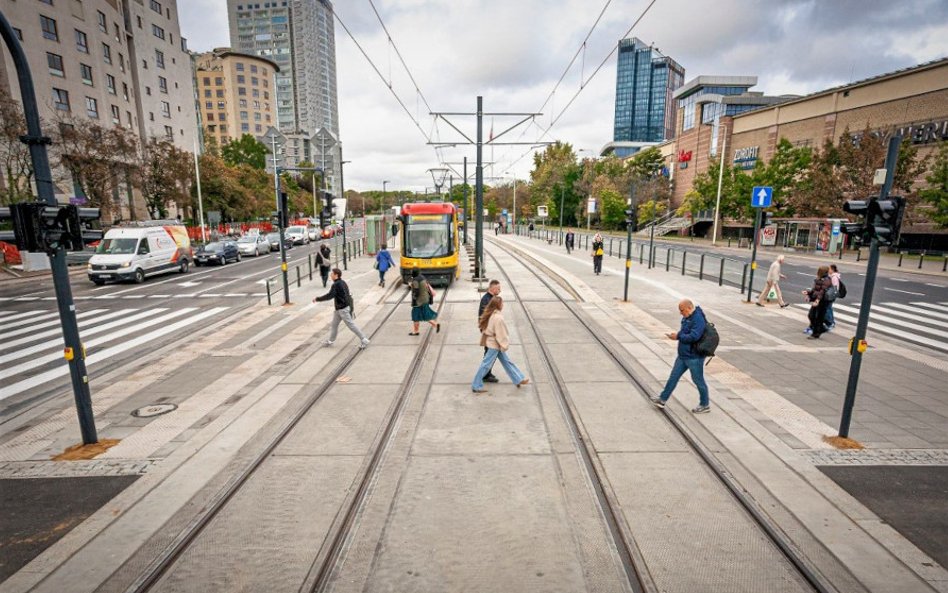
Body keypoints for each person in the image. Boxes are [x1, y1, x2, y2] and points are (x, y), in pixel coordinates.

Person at [650, 299, 711, 413]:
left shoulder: (698, 319)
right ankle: (662, 399)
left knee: (698, 380)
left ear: (689, 308)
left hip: (694, 357)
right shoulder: (687, 317)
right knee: (673, 377)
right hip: (683, 355)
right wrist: (678, 335)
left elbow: (694, 336)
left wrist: (678, 336)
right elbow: (685, 332)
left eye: (682, 310)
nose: (680, 313)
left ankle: (705, 404)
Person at [472, 296, 529, 393]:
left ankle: (518, 379)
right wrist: (504, 345)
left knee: (507, 362)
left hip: (493, 342)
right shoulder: (498, 318)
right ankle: (476, 385)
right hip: (495, 344)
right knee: (486, 365)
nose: (503, 305)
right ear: (498, 305)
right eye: (502, 303)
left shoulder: (491, 314)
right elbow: (501, 334)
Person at [313, 268, 370, 349]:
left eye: (332, 274)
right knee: (334, 325)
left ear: (336, 275)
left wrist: (317, 299)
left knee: (351, 325)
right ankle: (330, 341)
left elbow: (329, 296)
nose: (331, 275)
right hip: (340, 309)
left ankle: (364, 339)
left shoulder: (336, 285)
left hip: (342, 309)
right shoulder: (343, 282)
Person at [478, 280, 502, 383]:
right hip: (489, 331)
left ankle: (487, 373)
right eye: (498, 288)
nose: (500, 290)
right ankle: (485, 375)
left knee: (490, 353)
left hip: (490, 330)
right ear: (493, 288)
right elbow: (485, 317)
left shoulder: (490, 298)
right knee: (489, 354)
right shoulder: (487, 300)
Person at [802, 265, 833, 339]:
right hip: (817, 300)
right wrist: (808, 293)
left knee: (818, 318)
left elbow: (822, 291)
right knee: (811, 315)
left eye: (819, 271)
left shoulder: (827, 280)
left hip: (823, 301)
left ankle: (815, 334)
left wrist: (817, 300)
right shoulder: (819, 279)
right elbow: (815, 290)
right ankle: (822, 329)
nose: (817, 272)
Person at [409, 269, 439, 335]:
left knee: (415, 316)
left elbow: (416, 291)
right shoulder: (422, 277)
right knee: (425, 315)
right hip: (425, 299)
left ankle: (416, 331)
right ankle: (435, 324)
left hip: (419, 302)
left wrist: (414, 297)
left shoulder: (415, 280)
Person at [824, 264, 841, 330]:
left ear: (832, 270)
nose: (828, 270)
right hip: (831, 295)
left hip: (831, 295)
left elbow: (835, 287)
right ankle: (831, 322)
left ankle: (830, 323)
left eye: (829, 269)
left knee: (828, 309)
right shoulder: (832, 276)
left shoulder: (834, 277)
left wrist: (832, 295)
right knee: (829, 308)